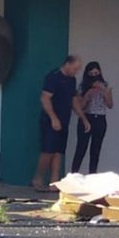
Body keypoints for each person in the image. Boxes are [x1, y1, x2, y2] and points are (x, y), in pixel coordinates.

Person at [32, 55, 89, 192]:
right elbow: (45, 98)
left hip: (64, 119)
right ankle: (38, 178)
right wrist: (53, 117)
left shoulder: (72, 80)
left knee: (59, 152)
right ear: (67, 64)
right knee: (48, 150)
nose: (76, 72)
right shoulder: (54, 77)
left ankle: (54, 181)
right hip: (50, 120)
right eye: (74, 68)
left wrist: (83, 117)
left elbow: (73, 100)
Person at [71, 61, 114, 174]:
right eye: (91, 74)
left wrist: (105, 93)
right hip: (86, 118)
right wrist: (88, 94)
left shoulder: (105, 85)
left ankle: (92, 175)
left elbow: (110, 105)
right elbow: (80, 106)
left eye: (96, 73)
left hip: (100, 119)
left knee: (95, 150)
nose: (94, 76)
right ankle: (74, 175)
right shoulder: (83, 87)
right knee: (81, 148)